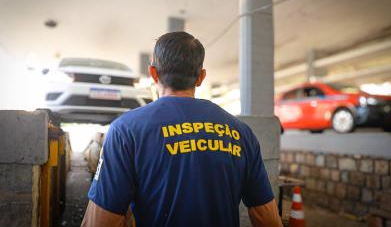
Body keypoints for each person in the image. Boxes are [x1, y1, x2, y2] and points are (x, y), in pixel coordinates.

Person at [81, 32, 283, 227]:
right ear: (201, 77)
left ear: (153, 73)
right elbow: (266, 216)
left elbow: (102, 220)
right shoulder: (242, 133)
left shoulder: (125, 131)